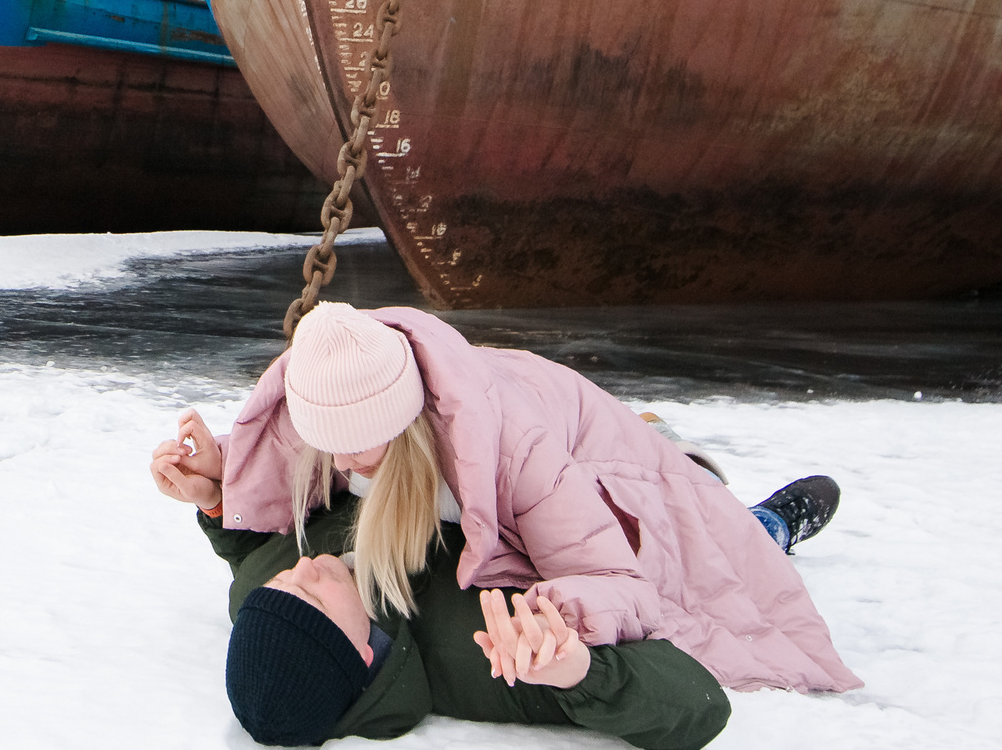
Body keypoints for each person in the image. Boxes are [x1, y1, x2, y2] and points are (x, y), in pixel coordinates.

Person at [148, 303, 860, 746]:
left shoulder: (270, 593)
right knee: (699, 553)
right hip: (566, 469)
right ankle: (765, 524)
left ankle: (682, 468)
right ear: (359, 653)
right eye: (305, 595)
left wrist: (217, 495)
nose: (298, 570)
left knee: (662, 492)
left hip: (537, 422)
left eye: (283, 586)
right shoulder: (477, 649)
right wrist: (575, 659)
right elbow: (691, 695)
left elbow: (255, 553)